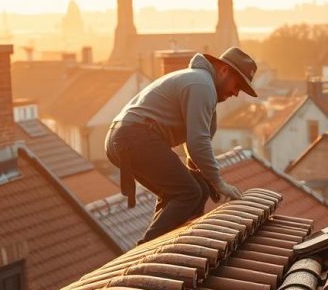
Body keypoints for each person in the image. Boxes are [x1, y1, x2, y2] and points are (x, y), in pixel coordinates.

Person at [105, 48, 258, 244]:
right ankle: (147, 252)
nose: (236, 93)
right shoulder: (202, 85)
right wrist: (219, 183)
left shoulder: (202, 89)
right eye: (238, 85)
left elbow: (196, 149)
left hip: (126, 139)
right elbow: (197, 142)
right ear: (224, 71)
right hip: (134, 137)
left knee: (196, 189)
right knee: (189, 192)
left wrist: (207, 181)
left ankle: (176, 244)